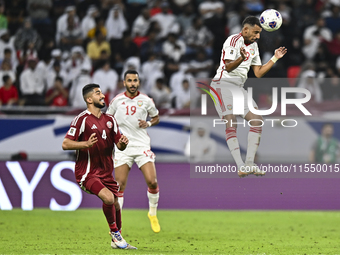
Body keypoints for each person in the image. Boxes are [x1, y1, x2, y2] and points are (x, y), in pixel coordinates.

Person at [210, 16, 287, 177]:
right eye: (256, 32)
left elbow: (258, 73)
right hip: (221, 85)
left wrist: (274, 58)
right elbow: (229, 67)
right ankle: (240, 165)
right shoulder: (233, 41)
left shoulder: (254, 46)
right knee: (231, 122)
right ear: (246, 29)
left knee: (257, 120)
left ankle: (250, 163)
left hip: (238, 88)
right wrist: (241, 58)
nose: (258, 36)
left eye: (259, 33)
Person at [62, 83, 136, 250]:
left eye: (102, 93)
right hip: (87, 173)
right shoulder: (81, 119)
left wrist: (123, 144)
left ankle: (116, 240)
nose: (103, 96)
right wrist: (85, 144)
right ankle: (115, 235)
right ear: (89, 99)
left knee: (116, 204)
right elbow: (65, 144)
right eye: (98, 93)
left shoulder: (110, 120)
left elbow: (119, 144)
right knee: (109, 198)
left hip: (106, 173)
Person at [106, 70, 161, 233]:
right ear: (124, 83)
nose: (132, 83)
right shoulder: (117, 101)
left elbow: (156, 117)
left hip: (142, 145)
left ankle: (152, 214)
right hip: (123, 147)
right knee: (119, 186)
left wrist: (149, 124)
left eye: (135, 81)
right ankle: (117, 226)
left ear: (139, 83)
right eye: (129, 81)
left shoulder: (146, 100)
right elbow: (108, 121)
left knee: (152, 181)